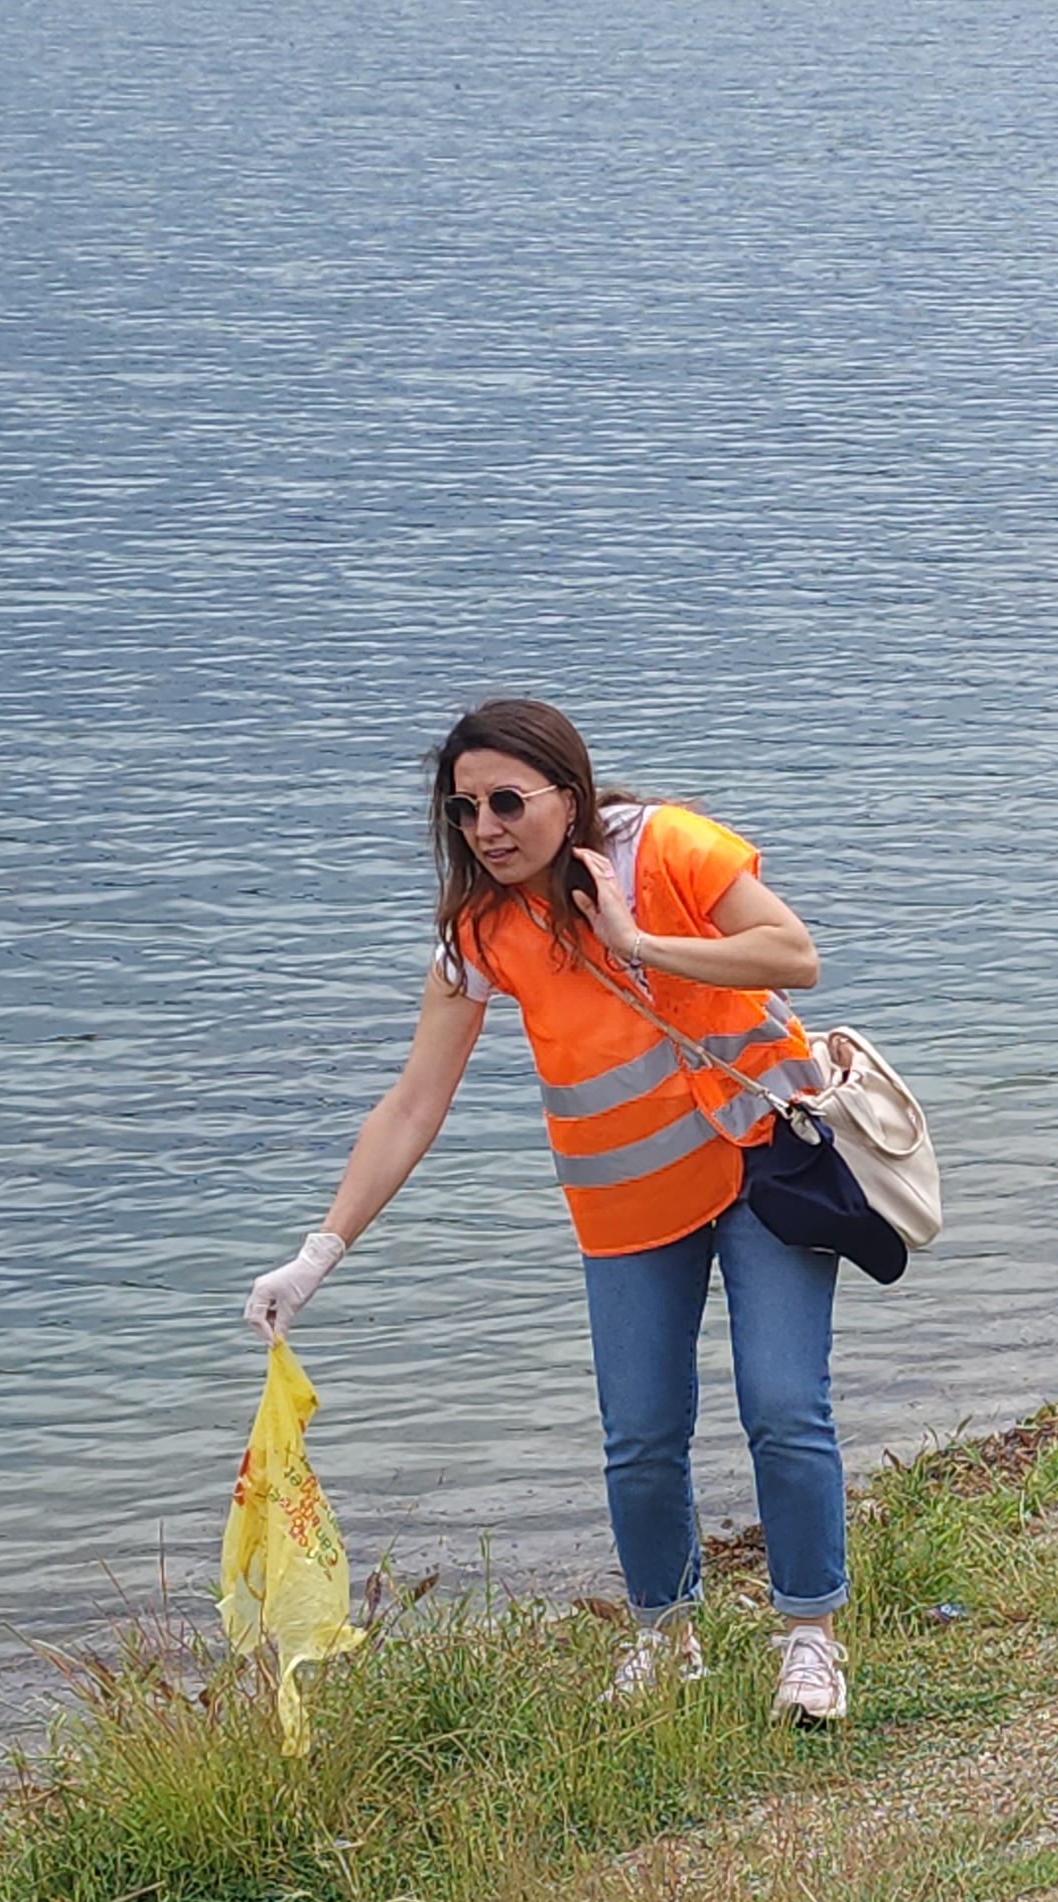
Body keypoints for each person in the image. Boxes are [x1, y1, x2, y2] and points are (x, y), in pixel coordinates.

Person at [240, 699, 859, 1722]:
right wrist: (317, 1251)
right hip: (625, 1203)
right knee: (640, 1434)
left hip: (764, 1164)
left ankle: (809, 1638)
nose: (487, 827)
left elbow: (792, 955)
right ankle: (667, 1635)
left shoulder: (667, 846)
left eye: (508, 801)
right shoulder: (479, 930)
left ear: (567, 793)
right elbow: (411, 1105)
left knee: (784, 1403)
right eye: (466, 808)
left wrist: (632, 936)